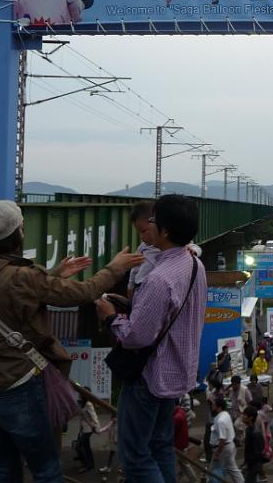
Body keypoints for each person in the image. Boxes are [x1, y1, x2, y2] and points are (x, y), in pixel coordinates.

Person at [0, 200, 142, 482]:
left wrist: (52, 276)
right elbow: (85, 292)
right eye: (21, 226)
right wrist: (114, 268)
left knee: (3, 471)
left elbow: (4, 300)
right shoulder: (24, 277)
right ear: (14, 236)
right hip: (20, 389)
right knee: (46, 470)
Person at [96, 194, 207, 481]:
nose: (149, 224)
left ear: (166, 231)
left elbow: (135, 337)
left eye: (154, 220)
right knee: (160, 446)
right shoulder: (195, 265)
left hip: (150, 376)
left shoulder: (159, 278)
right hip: (176, 374)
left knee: (134, 456)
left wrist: (110, 315)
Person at [127, 200, 160, 299]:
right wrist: (130, 286)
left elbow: (192, 246)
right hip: (140, 285)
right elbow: (135, 268)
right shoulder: (143, 247)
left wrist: (193, 250)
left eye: (144, 231)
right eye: (139, 232)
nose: (141, 236)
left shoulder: (170, 245)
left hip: (154, 289)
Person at [210, 396, 244, 483]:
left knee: (214, 470)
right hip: (229, 446)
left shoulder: (221, 420)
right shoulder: (225, 414)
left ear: (219, 407)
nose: (212, 407)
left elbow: (222, 439)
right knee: (232, 468)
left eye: (213, 405)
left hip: (223, 448)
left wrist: (217, 453)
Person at [242, 406, 267, 483]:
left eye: (245, 415)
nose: (243, 417)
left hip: (253, 465)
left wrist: (254, 466)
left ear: (251, 417)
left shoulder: (254, 433)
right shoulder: (249, 430)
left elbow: (257, 451)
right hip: (251, 463)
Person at [173, 403, 198, 483]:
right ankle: (194, 481)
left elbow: (171, 433)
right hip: (183, 445)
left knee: (172, 467)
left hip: (177, 447)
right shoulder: (181, 411)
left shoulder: (177, 417)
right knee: (185, 465)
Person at [77, 394, 100, 473]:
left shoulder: (88, 404)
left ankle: (88, 465)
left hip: (89, 428)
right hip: (83, 427)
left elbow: (94, 416)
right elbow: (81, 417)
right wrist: (79, 429)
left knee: (82, 446)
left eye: (80, 394)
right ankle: (88, 464)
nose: (79, 396)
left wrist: (96, 427)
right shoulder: (80, 403)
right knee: (80, 446)